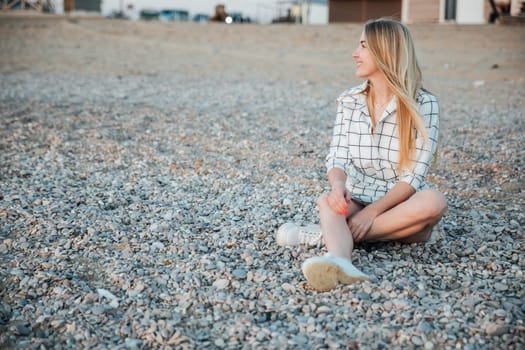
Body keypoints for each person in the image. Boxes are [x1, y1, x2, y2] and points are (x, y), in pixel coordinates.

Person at [277, 18, 447, 292]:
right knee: (328, 202)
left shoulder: (424, 103)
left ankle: (326, 236)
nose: (355, 54)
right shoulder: (349, 100)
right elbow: (337, 156)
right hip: (358, 194)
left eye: (363, 46)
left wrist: (372, 213)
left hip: (400, 200)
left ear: (385, 52)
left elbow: (413, 176)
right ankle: (341, 261)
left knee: (433, 203)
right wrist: (338, 187)